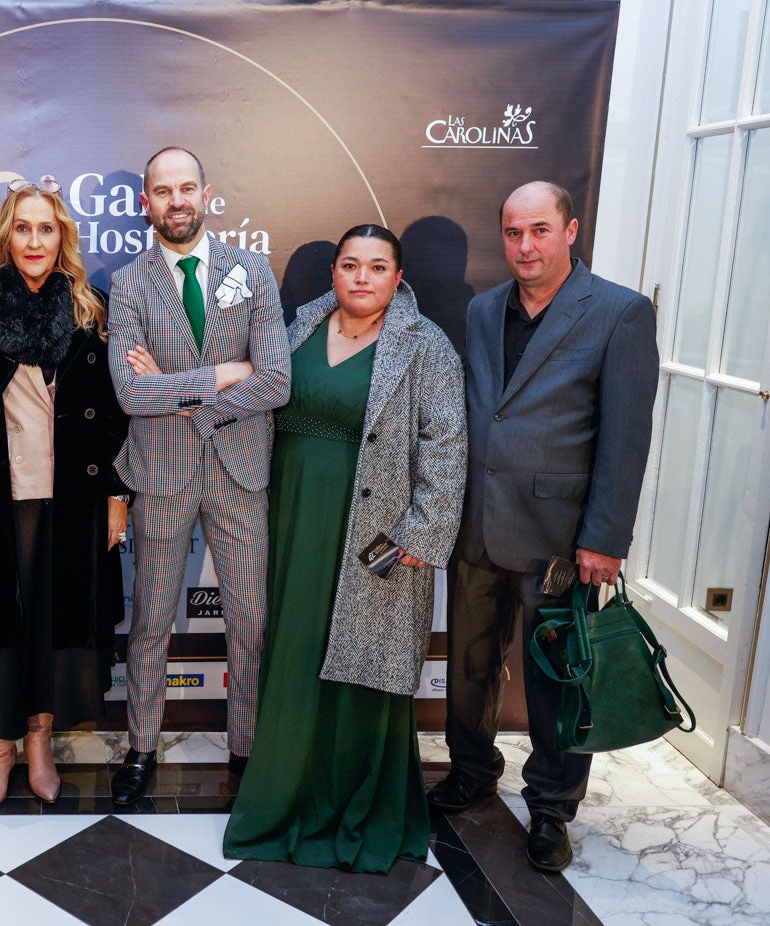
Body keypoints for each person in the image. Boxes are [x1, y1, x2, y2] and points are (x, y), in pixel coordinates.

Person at [223, 225, 467, 872]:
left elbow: (445, 445)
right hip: (291, 517)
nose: (361, 277)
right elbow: (251, 397)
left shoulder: (426, 346)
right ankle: (281, 800)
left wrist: (421, 533)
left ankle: (356, 809)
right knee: (295, 654)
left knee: (364, 666)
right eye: (349, 265)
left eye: (376, 266)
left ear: (397, 277)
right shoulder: (294, 327)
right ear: (332, 272)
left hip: (377, 538)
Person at [430, 181, 658, 872]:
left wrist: (604, 539)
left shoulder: (619, 312)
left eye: (537, 230)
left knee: (557, 679)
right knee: (469, 664)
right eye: (511, 232)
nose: (523, 246)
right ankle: (471, 770)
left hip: (559, 538)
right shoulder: (479, 309)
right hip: (474, 527)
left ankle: (551, 809)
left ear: (569, 231)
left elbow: (625, 437)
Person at [0, 176, 129, 814]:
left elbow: (112, 414)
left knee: (53, 625)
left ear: (63, 236)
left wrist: (118, 497)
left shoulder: (89, 306)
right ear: (6, 235)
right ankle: (0, 744)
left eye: (47, 228)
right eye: (24, 227)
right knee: (3, 628)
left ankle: (40, 741)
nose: (35, 240)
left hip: (71, 501)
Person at [108, 147, 291, 805]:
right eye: (162, 191)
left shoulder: (253, 271)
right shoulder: (128, 283)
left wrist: (179, 392)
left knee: (249, 623)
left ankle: (246, 751)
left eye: (186, 188)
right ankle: (140, 749)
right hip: (159, 475)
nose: (176, 201)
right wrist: (217, 376)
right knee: (151, 623)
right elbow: (130, 392)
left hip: (239, 473)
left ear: (206, 194)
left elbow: (274, 380)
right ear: (145, 203)